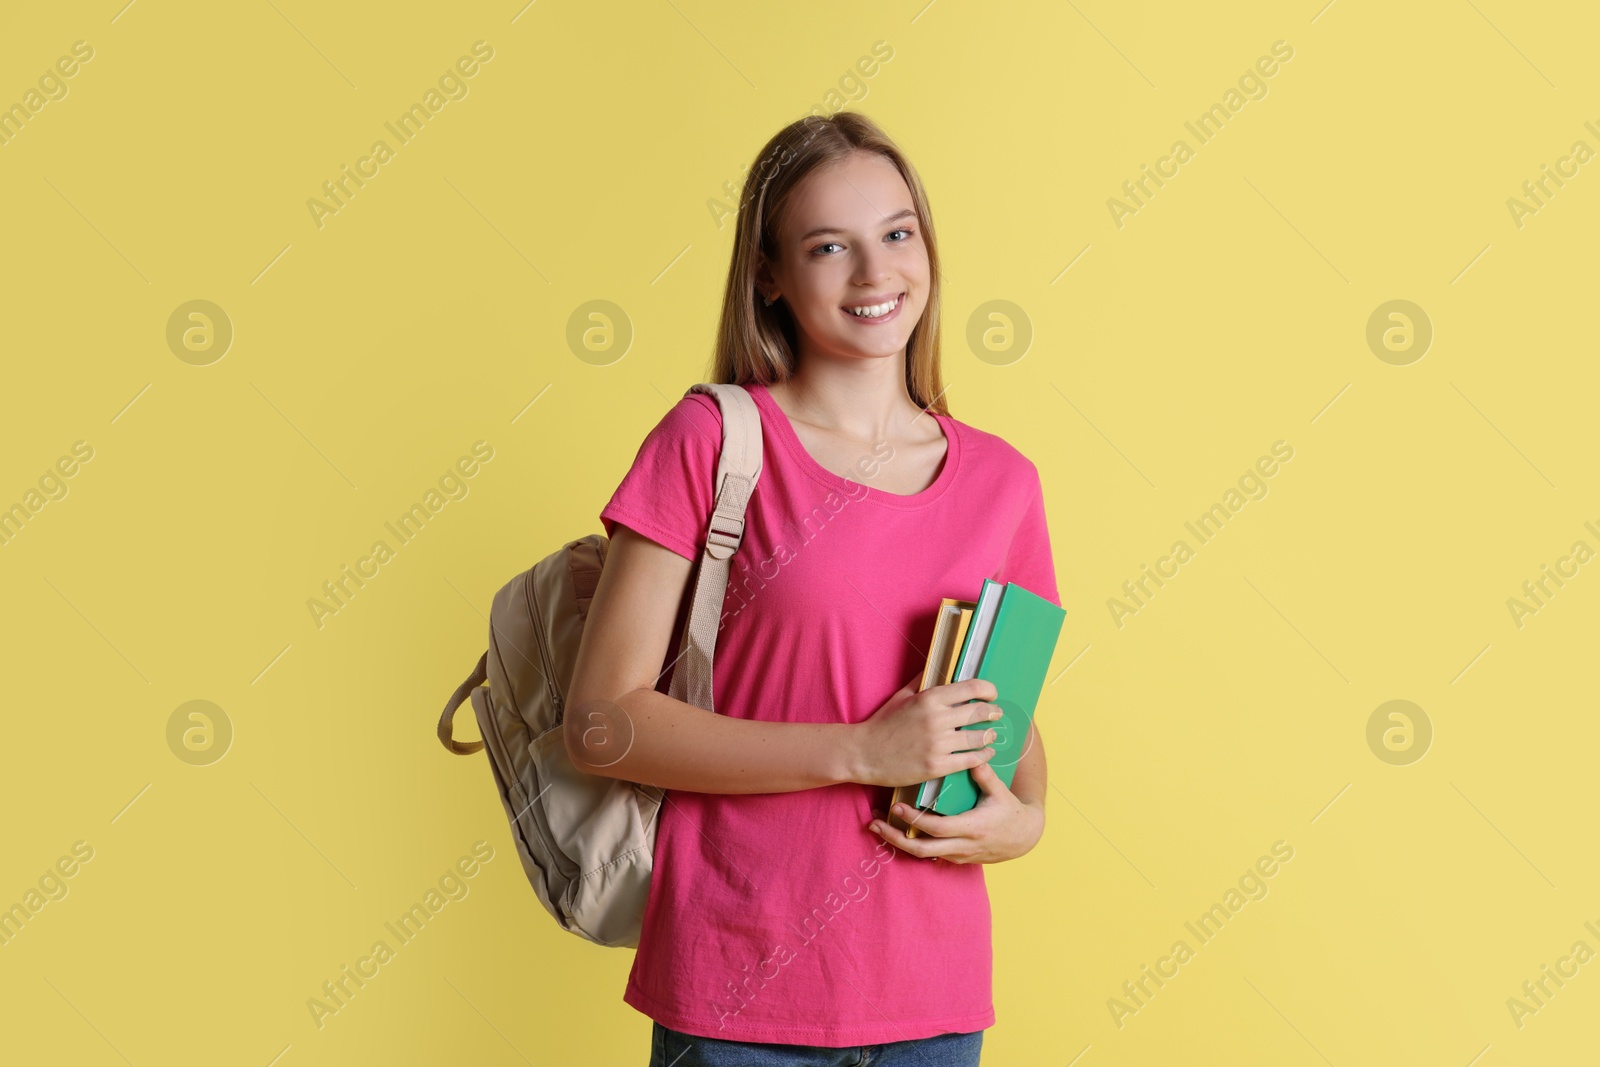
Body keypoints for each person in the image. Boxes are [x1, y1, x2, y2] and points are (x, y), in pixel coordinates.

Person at [566, 111, 1059, 1067]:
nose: (876, 275)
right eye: (830, 246)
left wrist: (1024, 820)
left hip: (935, 999)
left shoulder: (1006, 482)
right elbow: (601, 723)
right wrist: (861, 749)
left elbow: (1009, 725)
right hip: (740, 992)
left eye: (897, 234)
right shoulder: (714, 442)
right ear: (770, 276)